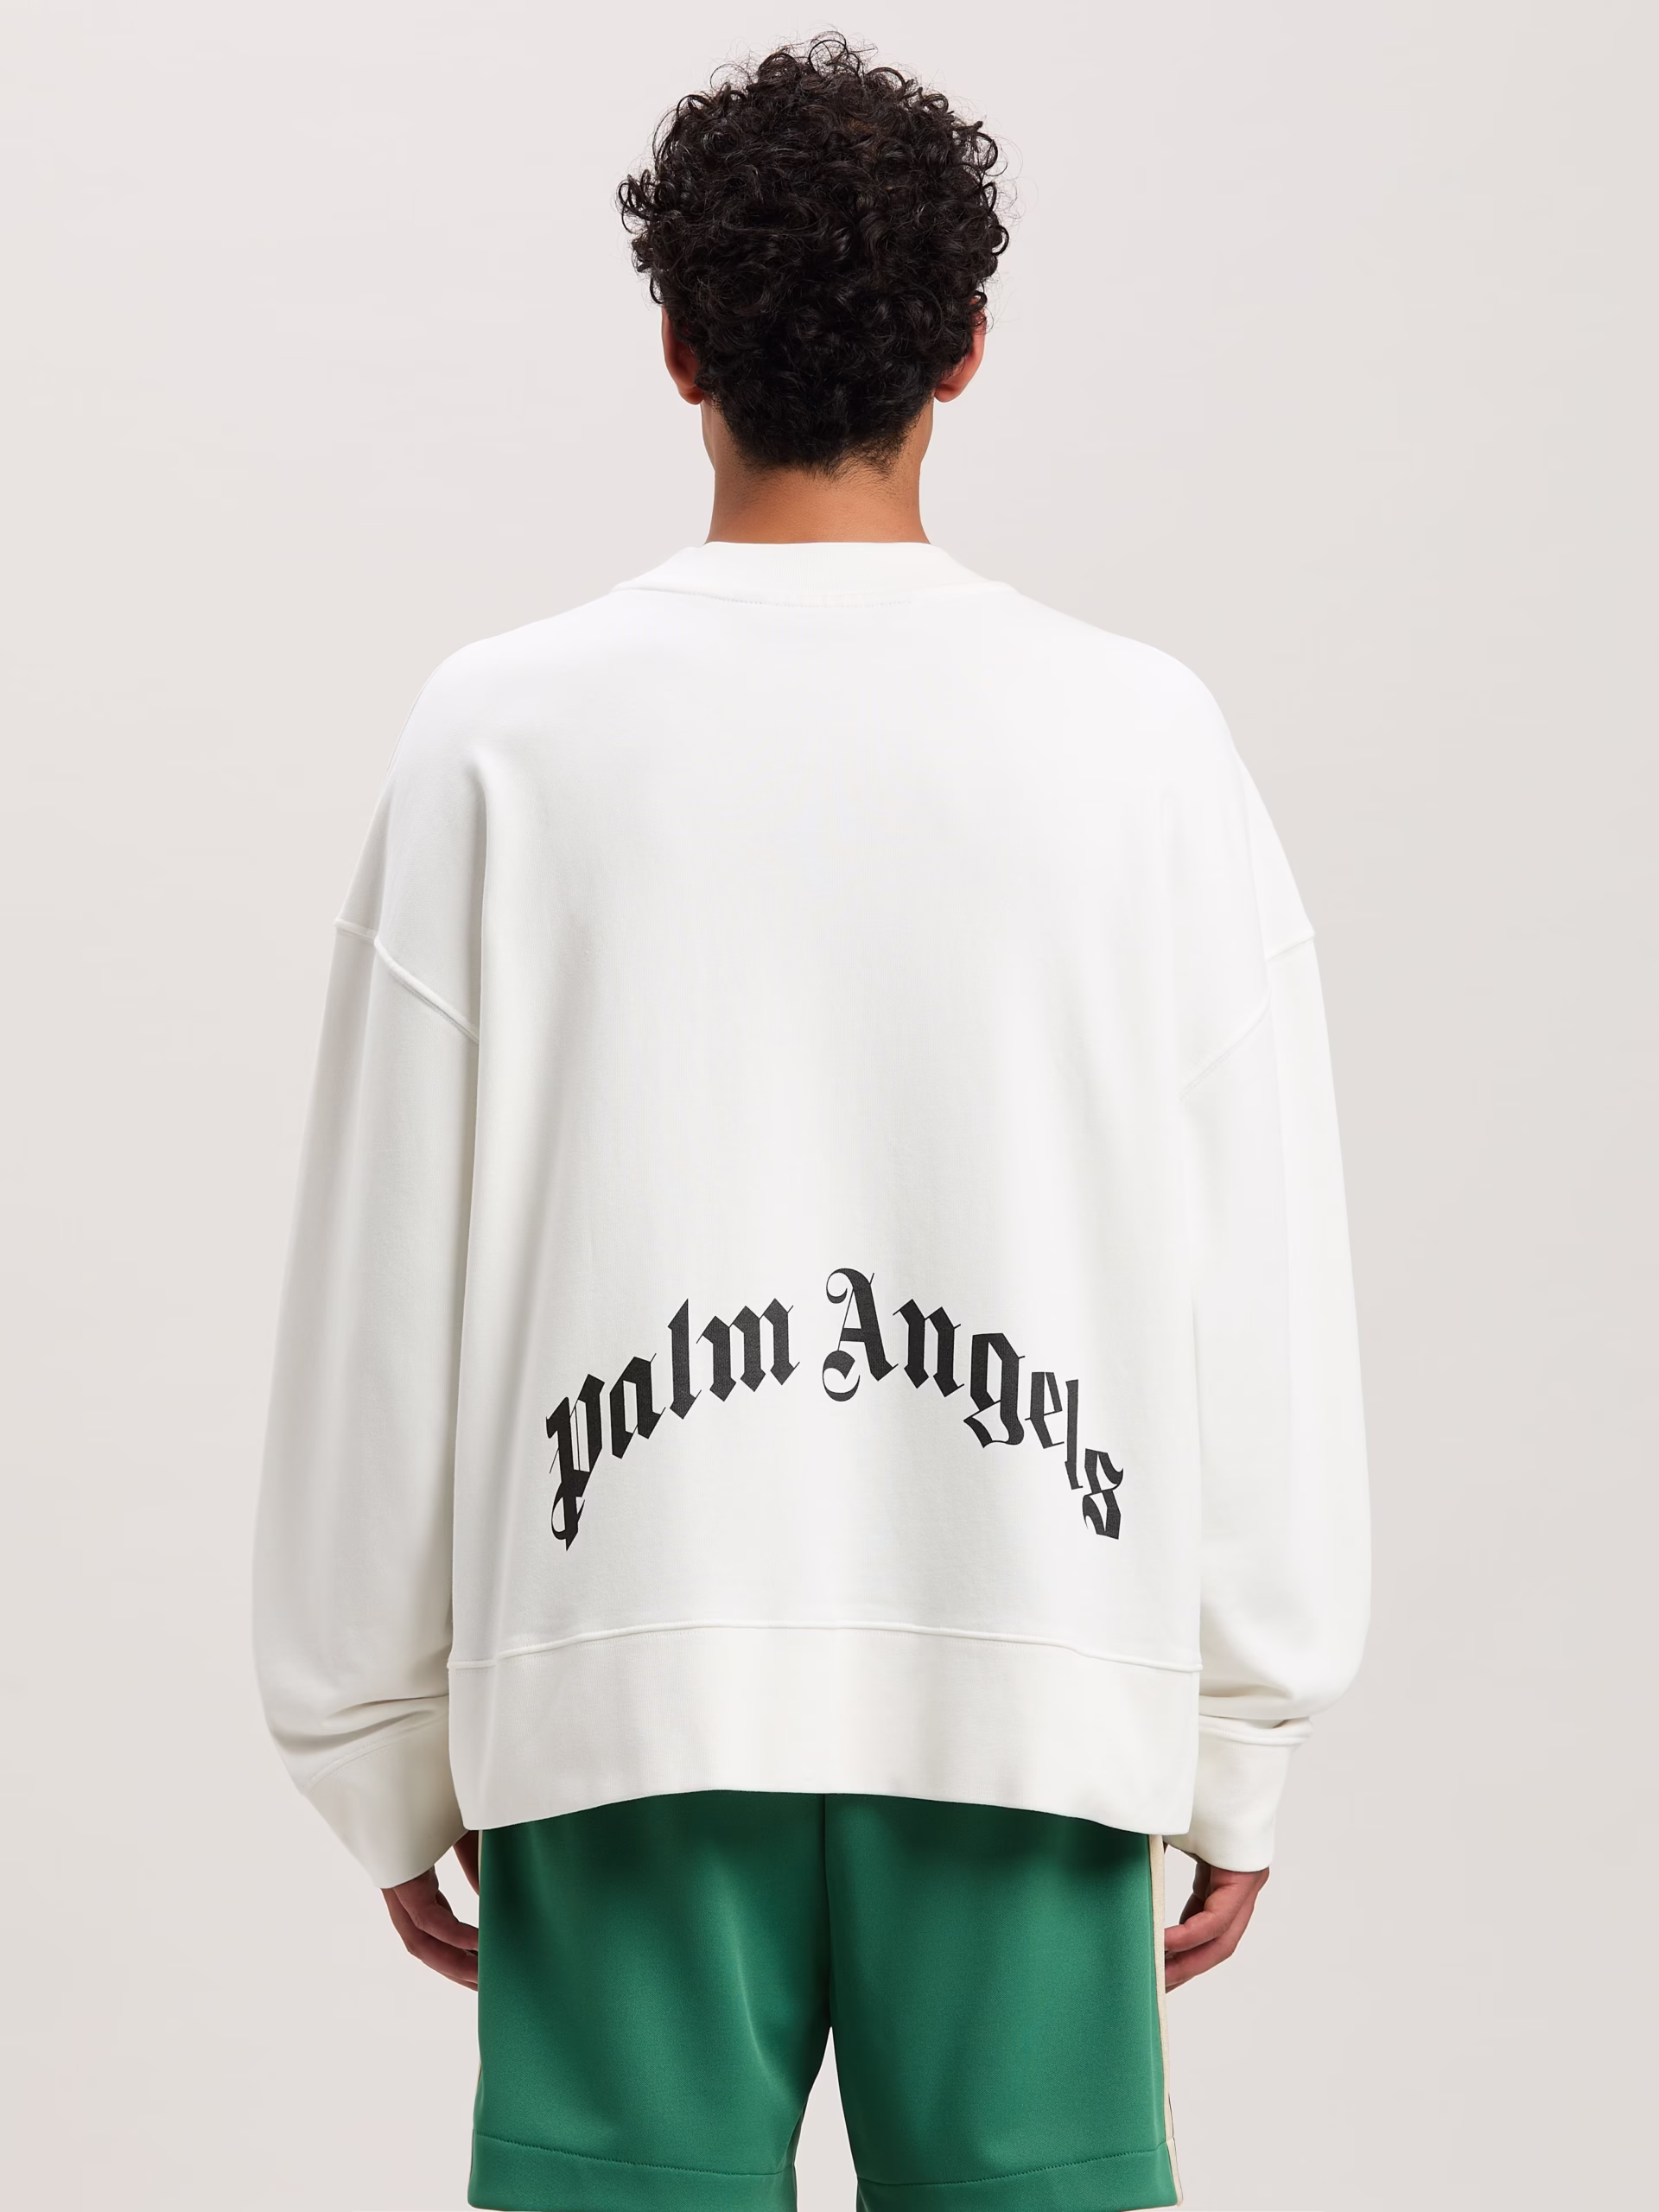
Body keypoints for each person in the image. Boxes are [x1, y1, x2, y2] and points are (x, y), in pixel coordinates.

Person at [254, 35, 1369, 2212]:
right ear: (968, 345)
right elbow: (1260, 1250)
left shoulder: (503, 738)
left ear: (678, 343)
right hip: (1031, 1661)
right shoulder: (1140, 741)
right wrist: (1243, 1722)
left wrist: (375, 1739)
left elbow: (383, 1268)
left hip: (625, 1674)